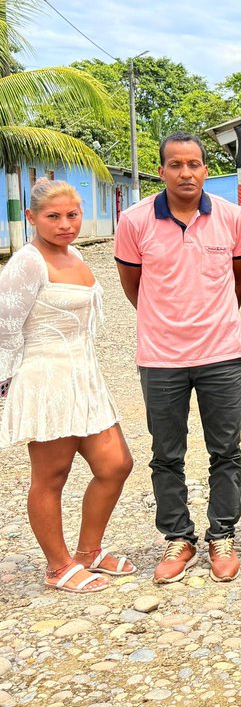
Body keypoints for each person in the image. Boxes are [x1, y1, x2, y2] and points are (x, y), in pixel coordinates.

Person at [115, 132, 241, 583]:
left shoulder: (232, 218)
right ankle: (179, 537)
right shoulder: (134, 221)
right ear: (161, 171)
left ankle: (222, 536)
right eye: (175, 164)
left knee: (226, 451)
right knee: (166, 454)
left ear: (206, 169)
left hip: (222, 355)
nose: (186, 172)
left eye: (193, 163)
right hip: (161, 358)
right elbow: (133, 285)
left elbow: (239, 280)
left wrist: (210, 320)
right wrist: (167, 321)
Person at [0, 179, 133, 593]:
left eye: (72, 215)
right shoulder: (27, 261)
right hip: (47, 376)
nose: (65, 224)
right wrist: (5, 385)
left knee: (116, 465)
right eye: (53, 216)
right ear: (32, 217)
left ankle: (87, 552)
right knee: (51, 476)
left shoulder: (74, 252)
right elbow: (5, 328)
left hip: (85, 375)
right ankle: (57, 567)